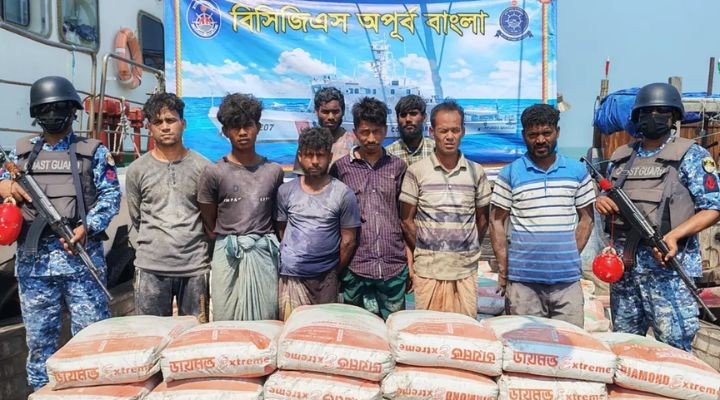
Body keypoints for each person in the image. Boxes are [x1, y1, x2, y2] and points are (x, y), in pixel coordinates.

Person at [0, 76, 121, 390]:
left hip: (81, 262)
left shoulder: (92, 151)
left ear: (72, 110)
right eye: (46, 109)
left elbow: (111, 195)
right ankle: (41, 392)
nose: (53, 114)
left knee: (92, 341)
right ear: (36, 113)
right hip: (35, 266)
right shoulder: (21, 153)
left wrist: (87, 227)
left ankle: (93, 393)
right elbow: (2, 184)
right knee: (40, 344)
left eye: (60, 108)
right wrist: (7, 187)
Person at [596, 82, 720, 351]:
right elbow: (608, 194)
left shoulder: (691, 156)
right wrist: (602, 201)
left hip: (669, 271)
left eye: (662, 111)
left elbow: (713, 207)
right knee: (625, 347)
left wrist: (674, 236)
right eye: (646, 112)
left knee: (674, 350)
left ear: (674, 116)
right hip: (626, 273)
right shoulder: (621, 157)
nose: (653, 117)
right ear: (637, 117)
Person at [489, 104, 595, 328]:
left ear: (557, 132)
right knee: (525, 344)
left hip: (567, 284)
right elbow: (496, 221)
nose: (540, 140)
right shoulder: (510, 173)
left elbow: (587, 218)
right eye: (533, 135)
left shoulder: (577, 172)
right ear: (523, 136)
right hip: (523, 284)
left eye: (546, 133)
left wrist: (568, 254)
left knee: (571, 341)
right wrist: (504, 269)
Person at [399, 100, 491, 317]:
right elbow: (406, 220)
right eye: (443, 131)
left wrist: (466, 247)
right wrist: (426, 246)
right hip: (428, 271)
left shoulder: (476, 172)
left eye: (455, 130)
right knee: (428, 330)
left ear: (463, 132)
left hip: (464, 270)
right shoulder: (416, 171)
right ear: (432, 132)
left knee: (464, 331)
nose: (450, 136)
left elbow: (483, 220)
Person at [197, 93, 284, 321]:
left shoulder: (273, 171)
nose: (242, 132)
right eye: (235, 127)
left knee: (266, 317)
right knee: (225, 316)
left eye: (248, 125)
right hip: (228, 254)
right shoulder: (214, 172)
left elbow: (276, 217)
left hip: (263, 254)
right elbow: (209, 221)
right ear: (225, 131)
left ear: (259, 127)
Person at [126, 92, 211, 322]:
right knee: (150, 335)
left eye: (171, 120)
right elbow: (136, 216)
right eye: (157, 122)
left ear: (183, 123)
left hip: (194, 268)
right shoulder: (137, 170)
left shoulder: (204, 168)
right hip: (150, 268)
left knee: (194, 336)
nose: (165, 127)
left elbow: (209, 217)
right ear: (149, 127)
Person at [330, 97, 408, 319]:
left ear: (385, 131)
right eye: (365, 132)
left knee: (394, 326)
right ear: (355, 132)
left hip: (393, 264)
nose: (371, 138)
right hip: (356, 265)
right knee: (358, 328)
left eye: (376, 131)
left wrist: (409, 261)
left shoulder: (398, 167)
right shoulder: (341, 169)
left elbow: (405, 217)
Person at [276, 127, 361, 320]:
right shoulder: (285, 191)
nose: (314, 161)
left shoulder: (343, 194)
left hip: (326, 278)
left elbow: (349, 241)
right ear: (300, 156)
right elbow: (282, 231)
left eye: (320, 155)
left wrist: (332, 270)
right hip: (292, 277)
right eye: (309, 155)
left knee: (323, 330)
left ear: (329, 157)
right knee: (291, 329)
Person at [293, 87, 357, 173]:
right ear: (316, 111)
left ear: (343, 111)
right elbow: (301, 178)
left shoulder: (353, 142)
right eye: (325, 112)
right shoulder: (307, 142)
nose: (331, 117)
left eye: (335, 112)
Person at [386, 94, 435, 165]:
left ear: (424, 118)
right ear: (397, 120)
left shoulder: (436, 151)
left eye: (413, 114)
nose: (408, 119)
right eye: (403, 115)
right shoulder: (388, 154)